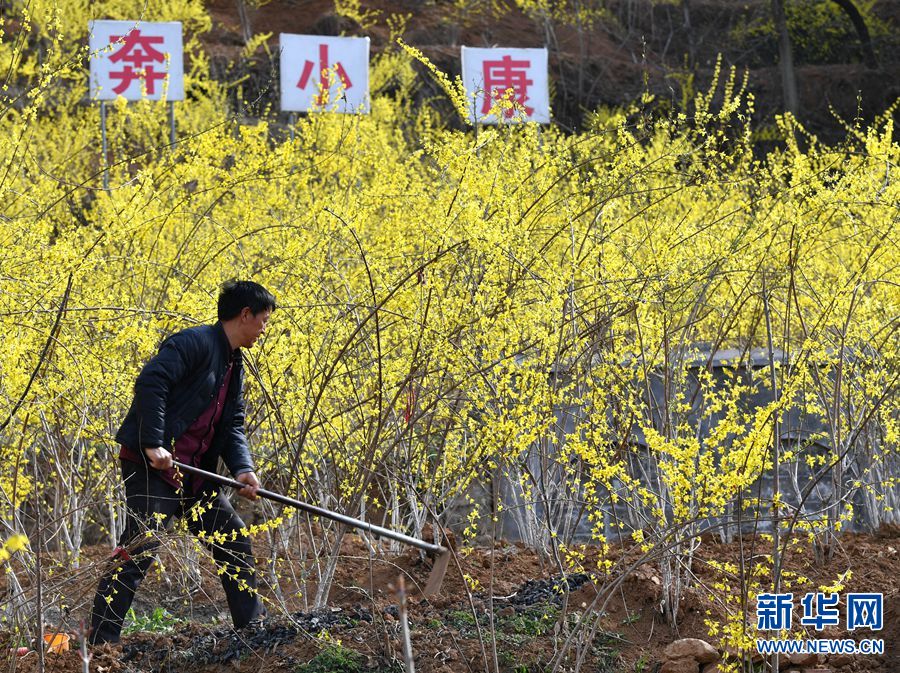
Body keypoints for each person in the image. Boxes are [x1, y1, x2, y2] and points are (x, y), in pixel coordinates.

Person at [89, 280, 276, 644]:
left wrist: (243, 469)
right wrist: (153, 444)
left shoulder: (234, 365)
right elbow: (151, 382)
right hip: (153, 467)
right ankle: (100, 643)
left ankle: (252, 632)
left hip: (195, 475)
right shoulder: (193, 342)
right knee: (141, 547)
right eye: (264, 320)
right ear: (245, 315)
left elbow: (232, 423)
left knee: (232, 539)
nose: (264, 329)